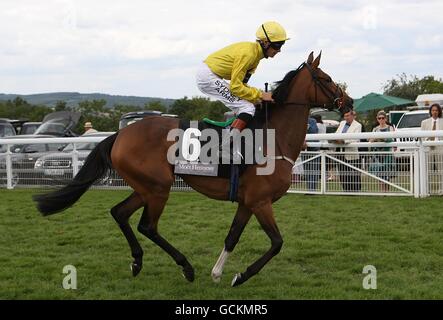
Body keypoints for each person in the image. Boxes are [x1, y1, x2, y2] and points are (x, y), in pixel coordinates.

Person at [196, 21, 289, 160]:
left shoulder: (256, 58)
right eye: (277, 45)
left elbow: (242, 87)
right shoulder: (249, 54)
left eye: (281, 45)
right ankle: (226, 147)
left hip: (211, 75)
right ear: (264, 42)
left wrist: (256, 98)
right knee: (247, 108)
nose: (279, 50)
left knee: (248, 105)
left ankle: (233, 140)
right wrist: (260, 95)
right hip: (207, 76)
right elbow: (235, 87)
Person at [334, 108, 362, 192]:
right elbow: (336, 134)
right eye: (345, 116)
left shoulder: (358, 125)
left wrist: (343, 141)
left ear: (353, 116)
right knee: (342, 173)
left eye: (348, 115)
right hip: (340, 152)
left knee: (354, 173)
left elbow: (356, 138)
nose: (346, 118)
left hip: (351, 153)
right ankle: (345, 190)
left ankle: (356, 191)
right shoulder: (342, 123)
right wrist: (333, 139)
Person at [368, 110, 395, 192]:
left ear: (385, 119)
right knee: (379, 173)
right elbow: (370, 140)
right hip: (378, 154)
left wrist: (383, 139)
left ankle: (387, 191)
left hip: (387, 153)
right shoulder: (375, 129)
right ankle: (382, 191)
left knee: (387, 174)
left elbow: (392, 138)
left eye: (383, 118)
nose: (381, 120)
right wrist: (375, 139)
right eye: (379, 118)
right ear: (377, 119)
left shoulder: (390, 128)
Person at [421, 103, 443, 194]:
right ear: (430, 111)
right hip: (428, 148)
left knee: (441, 170)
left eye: (436, 110)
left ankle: (441, 190)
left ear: (439, 112)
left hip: (440, 148)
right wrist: (427, 139)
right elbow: (421, 136)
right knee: (427, 169)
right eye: (433, 110)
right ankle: (427, 190)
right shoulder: (424, 122)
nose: (434, 112)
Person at [303, 117, 320, 192]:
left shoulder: (312, 121)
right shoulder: (299, 120)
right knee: (307, 170)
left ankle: (312, 189)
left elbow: (314, 131)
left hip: (314, 149)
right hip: (304, 149)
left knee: (313, 169)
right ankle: (309, 188)